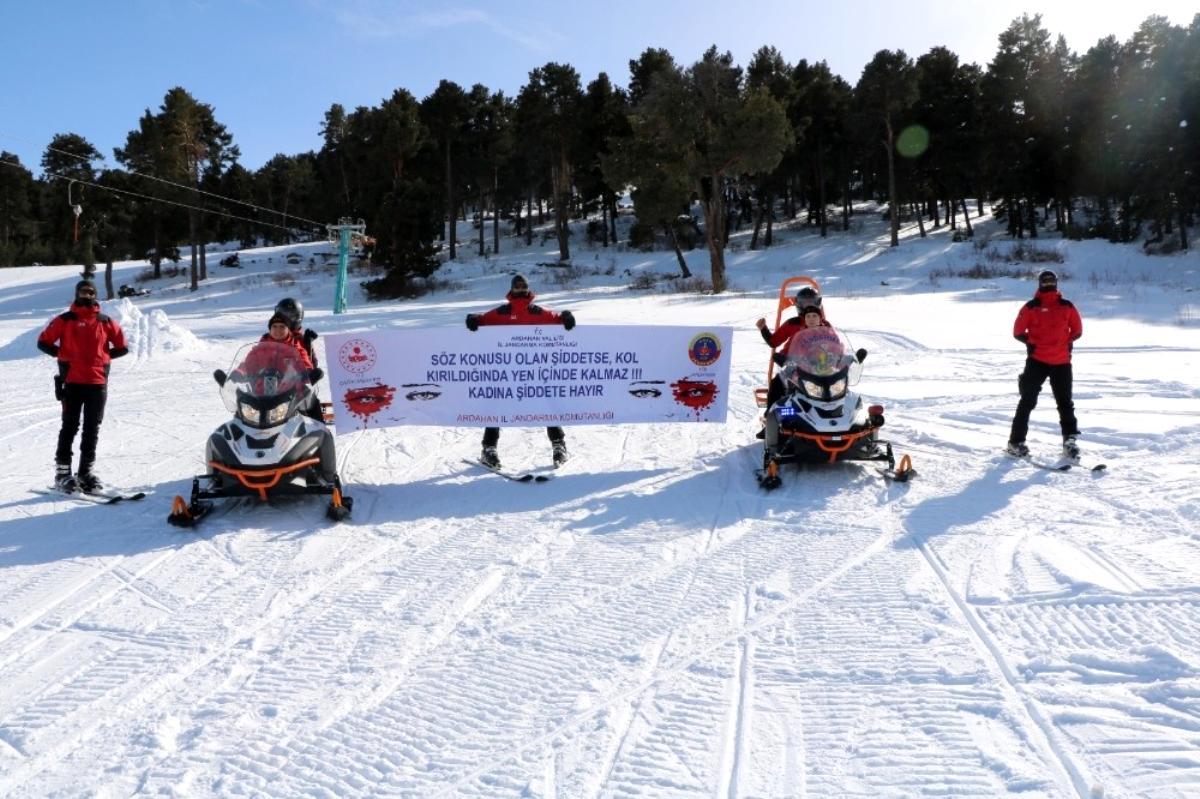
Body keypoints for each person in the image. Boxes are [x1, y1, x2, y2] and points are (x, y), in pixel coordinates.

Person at [465, 274, 576, 469]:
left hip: (533, 369)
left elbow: (557, 321)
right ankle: (488, 449)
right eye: (517, 286)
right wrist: (473, 319)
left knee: (546, 403)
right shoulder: (502, 312)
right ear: (511, 289)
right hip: (506, 370)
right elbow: (482, 321)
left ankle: (559, 445)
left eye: (524, 286)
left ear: (528, 288)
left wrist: (566, 317)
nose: (521, 289)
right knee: (496, 405)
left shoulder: (536, 312)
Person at [37, 279, 129, 493]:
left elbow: (122, 347)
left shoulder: (106, 322)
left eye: (90, 292)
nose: (86, 295)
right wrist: (64, 357)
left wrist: (104, 359)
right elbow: (43, 342)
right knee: (69, 428)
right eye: (82, 292)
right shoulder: (65, 320)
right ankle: (63, 474)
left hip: (97, 384)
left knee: (91, 430)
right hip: (72, 383)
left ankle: (85, 473)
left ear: (95, 295)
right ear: (77, 294)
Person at [1006, 269, 1083, 460]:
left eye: (1051, 282)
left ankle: (1070, 442)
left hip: (1062, 362)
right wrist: (1033, 344)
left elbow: (1077, 330)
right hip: (1037, 361)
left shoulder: (1067, 306)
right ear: (1040, 284)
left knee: (1065, 403)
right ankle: (1015, 442)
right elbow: (1017, 332)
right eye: (1045, 282)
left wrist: (1064, 344)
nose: (1048, 285)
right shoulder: (1031, 307)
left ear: (1056, 283)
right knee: (1027, 401)